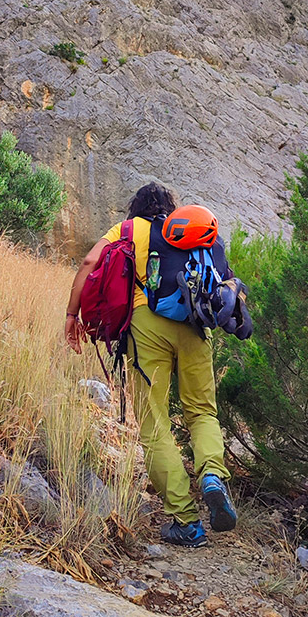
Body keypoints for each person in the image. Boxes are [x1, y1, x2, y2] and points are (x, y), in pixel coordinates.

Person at [64, 182, 238, 547]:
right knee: (202, 411)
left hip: (147, 327)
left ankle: (186, 522)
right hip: (194, 327)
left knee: (154, 422)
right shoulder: (190, 231)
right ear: (171, 208)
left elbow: (89, 261)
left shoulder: (130, 229)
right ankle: (211, 475)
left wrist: (71, 314)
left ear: (135, 206)